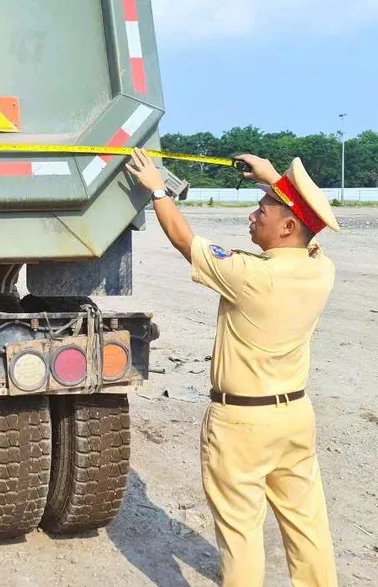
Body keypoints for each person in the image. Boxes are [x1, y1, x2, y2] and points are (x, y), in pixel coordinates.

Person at [126, 148, 339, 587]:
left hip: (242, 423)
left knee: (240, 531)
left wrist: (157, 190)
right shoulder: (321, 271)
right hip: (294, 416)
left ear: (287, 226)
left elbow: (186, 241)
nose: (252, 214)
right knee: (306, 523)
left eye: (262, 209)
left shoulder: (250, 275)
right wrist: (272, 178)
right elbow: (310, 228)